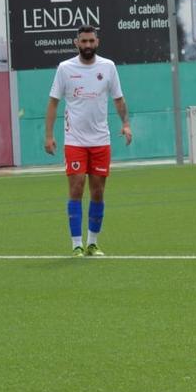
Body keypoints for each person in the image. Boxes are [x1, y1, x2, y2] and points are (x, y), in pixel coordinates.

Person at [44, 25, 132, 257]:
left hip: (101, 140)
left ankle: (92, 242)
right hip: (74, 140)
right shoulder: (65, 68)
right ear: (76, 43)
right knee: (76, 188)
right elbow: (53, 102)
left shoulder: (108, 67)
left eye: (91, 41)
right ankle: (76, 244)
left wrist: (125, 123)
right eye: (83, 41)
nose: (87, 45)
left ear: (97, 42)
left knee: (98, 192)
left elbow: (119, 99)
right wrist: (49, 135)